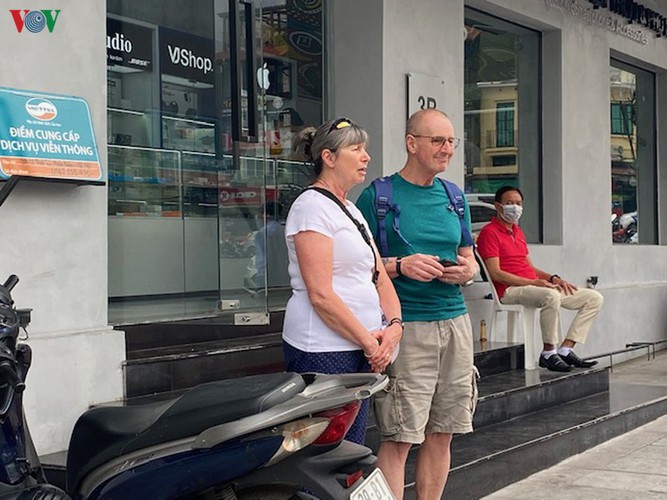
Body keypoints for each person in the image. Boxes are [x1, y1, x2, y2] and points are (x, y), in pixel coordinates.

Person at [356, 109, 479, 499]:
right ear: (412, 143)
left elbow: (469, 257)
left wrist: (467, 272)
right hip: (406, 327)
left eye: (451, 142)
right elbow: (356, 266)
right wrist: (399, 265)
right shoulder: (378, 196)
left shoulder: (454, 196)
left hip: (455, 323)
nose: (447, 150)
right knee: (399, 437)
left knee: (443, 433)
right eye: (438, 141)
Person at [282, 117, 403, 445]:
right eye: (357, 149)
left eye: (366, 149)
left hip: (362, 348)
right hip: (326, 350)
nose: (366, 157)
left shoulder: (350, 208)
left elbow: (379, 278)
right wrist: (370, 343)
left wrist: (394, 327)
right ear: (329, 158)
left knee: (351, 448)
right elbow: (320, 294)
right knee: (327, 452)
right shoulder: (311, 207)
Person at [476, 186, 604, 372]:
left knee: (594, 298)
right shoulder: (490, 232)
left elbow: (530, 268)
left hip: (535, 287)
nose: (515, 207)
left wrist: (553, 278)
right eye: (509, 203)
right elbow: (495, 273)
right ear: (498, 206)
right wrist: (534, 283)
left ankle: (566, 349)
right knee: (550, 296)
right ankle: (548, 353)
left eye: (518, 204)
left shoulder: (518, 232)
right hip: (509, 290)